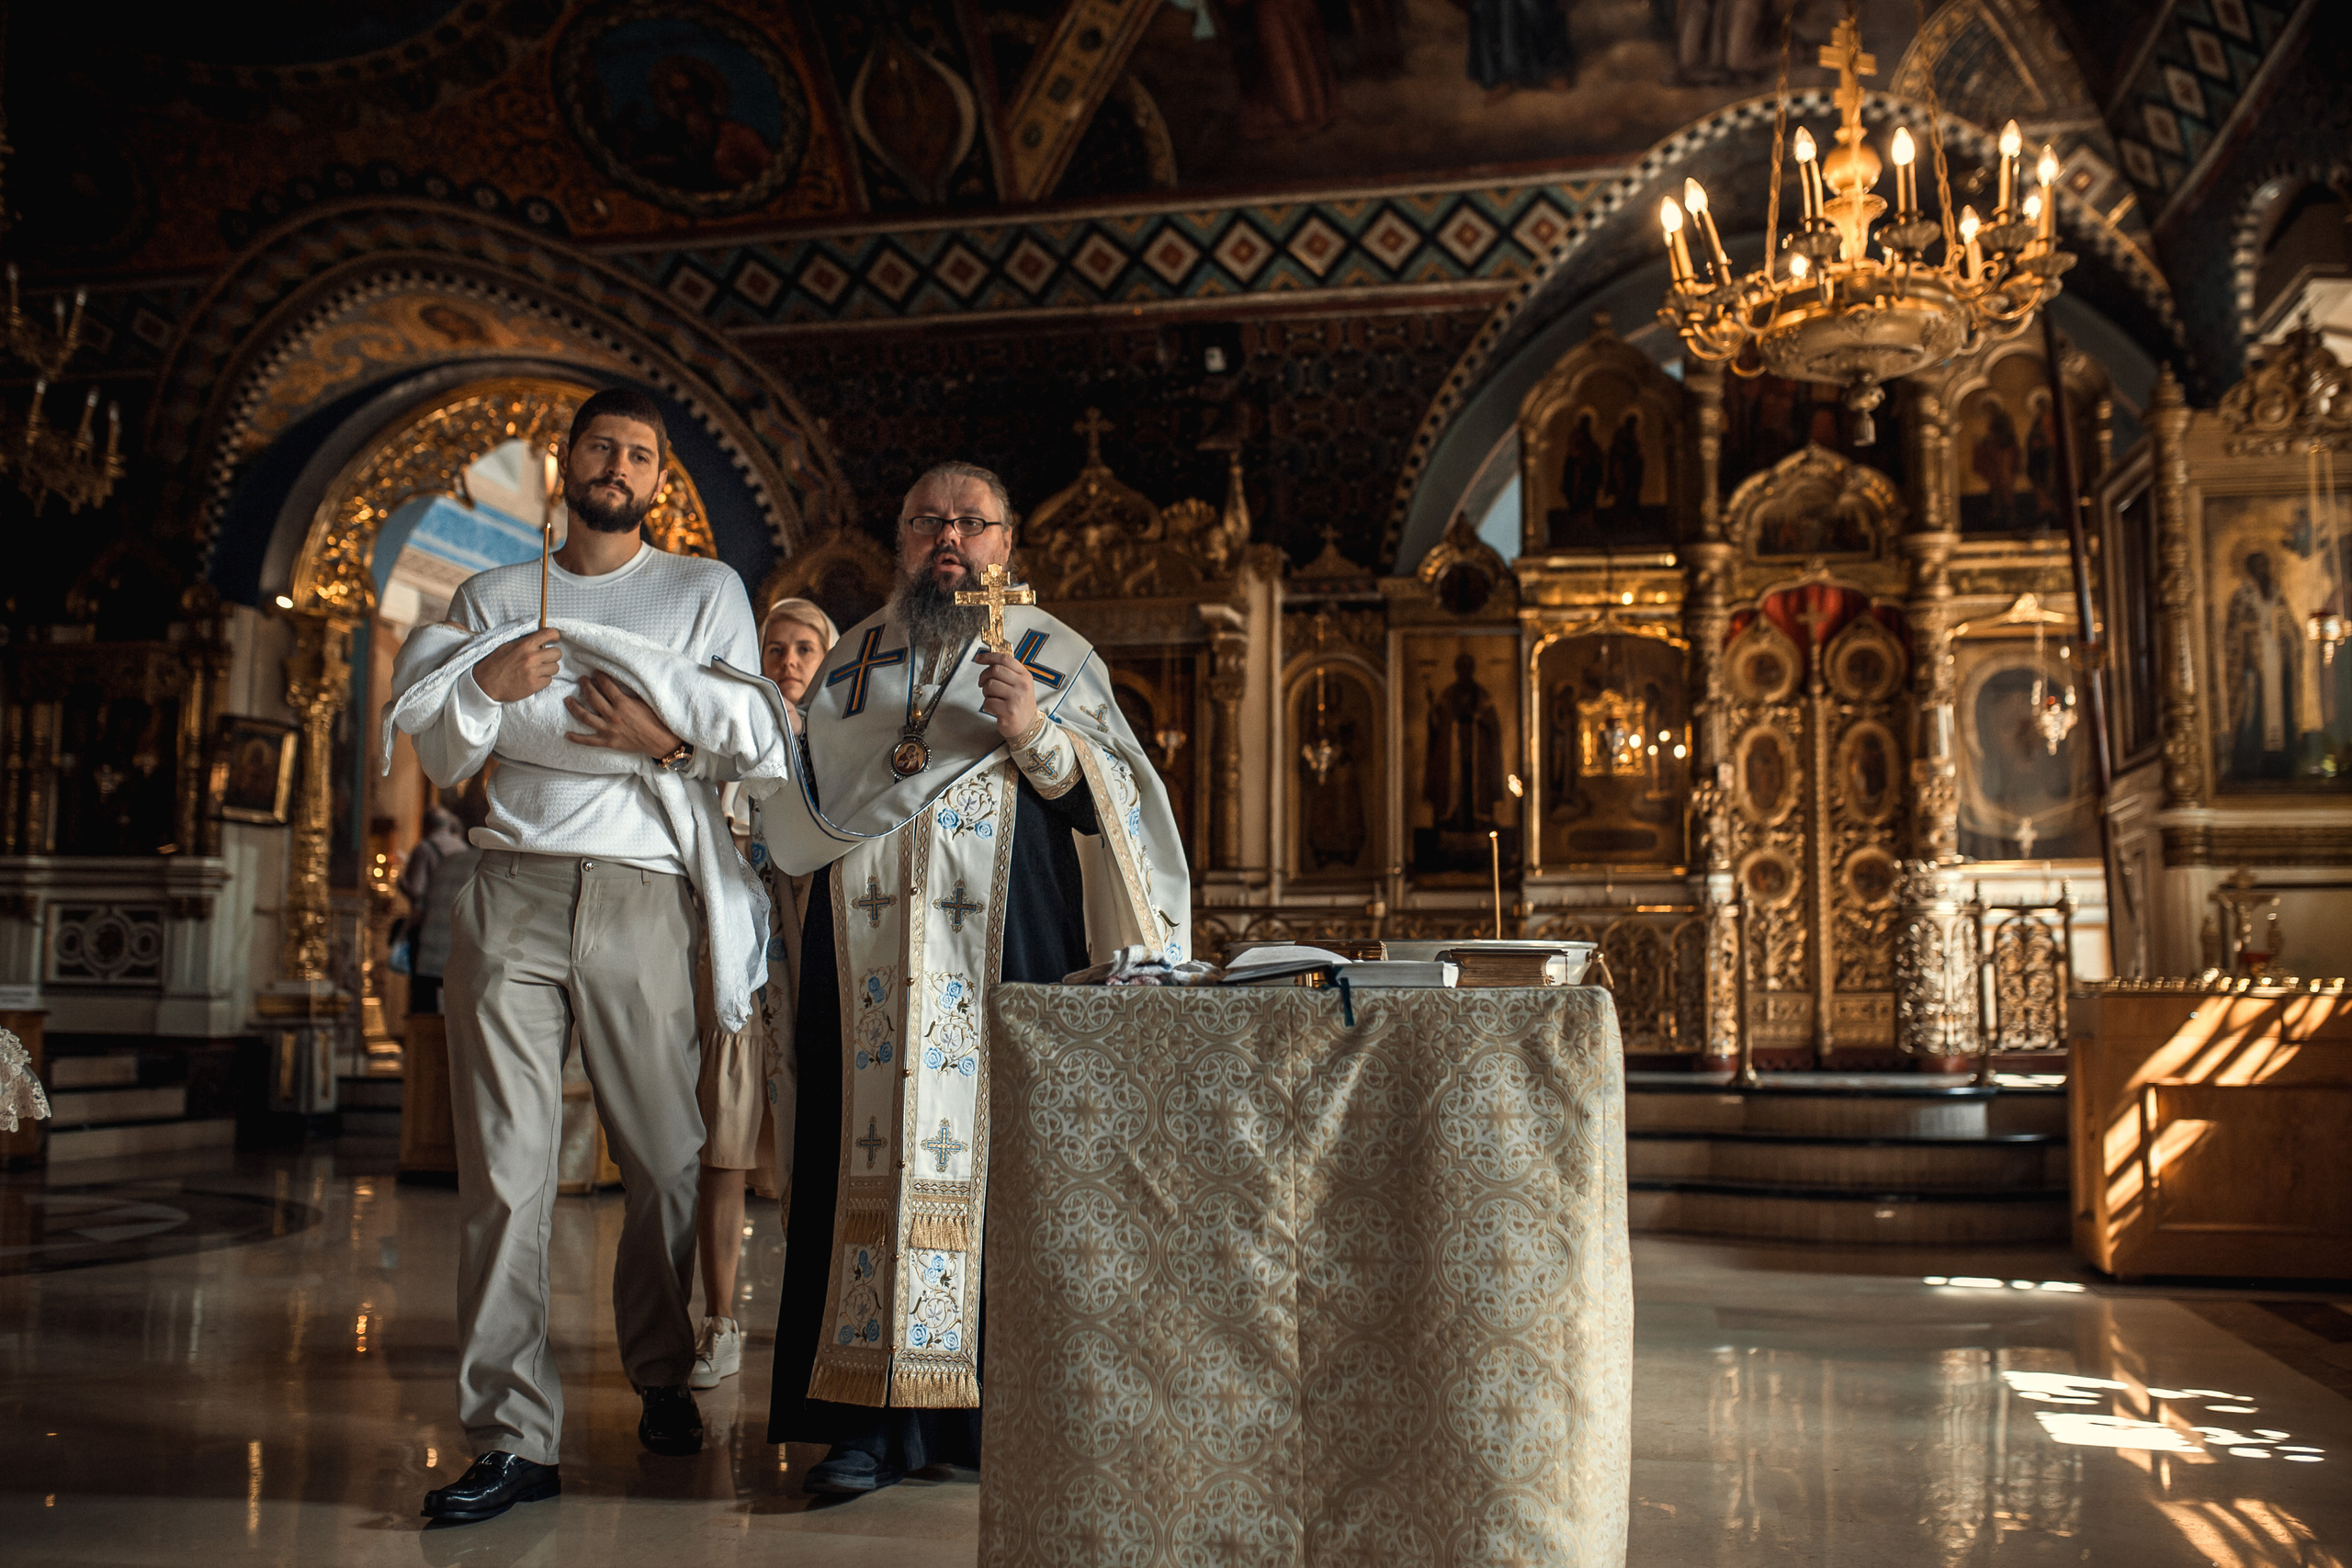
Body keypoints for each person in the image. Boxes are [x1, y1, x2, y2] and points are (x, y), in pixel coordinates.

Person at [388, 386, 782, 1526]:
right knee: (506, 1176)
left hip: (645, 893)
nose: (620, 466)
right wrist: (487, 685)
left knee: (663, 1158)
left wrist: (664, 740)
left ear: (661, 484)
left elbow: (748, 739)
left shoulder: (702, 592)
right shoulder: (494, 593)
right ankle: (511, 1435)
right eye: (602, 447)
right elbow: (449, 737)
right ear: (566, 466)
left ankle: (661, 1372)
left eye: (643, 456)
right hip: (508, 888)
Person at [759, 461, 1188, 1498]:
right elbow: (801, 804)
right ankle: (861, 1419)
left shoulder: (1055, 656)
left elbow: (1116, 809)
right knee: (853, 1169)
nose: (948, 539)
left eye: (971, 523)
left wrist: (1035, 735)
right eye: (926, 523)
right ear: (900, 538)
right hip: (859, 976)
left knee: (1004, 1170)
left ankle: (996, 1413)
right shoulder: (853, 660)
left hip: (1007, 951)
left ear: (1007, 544)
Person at [688, 596, 839, 1393]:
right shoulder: (725, 742)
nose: (787, 660)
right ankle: (719, 1318)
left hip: (815, 977)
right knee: (724, 1149)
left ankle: (813, 1320)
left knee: (816, 1155)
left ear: (828, 660)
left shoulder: (845, 748)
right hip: (738, 975)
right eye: (774, 646)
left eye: (805, 648)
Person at [400, 807, 477, 1015]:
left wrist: (401, 884)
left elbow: (417, 888)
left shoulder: (425, 848)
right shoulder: (465, 851)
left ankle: (418, 1047)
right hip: (458, 942)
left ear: (426, 825)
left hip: (430, 939)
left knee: (425, 1010)